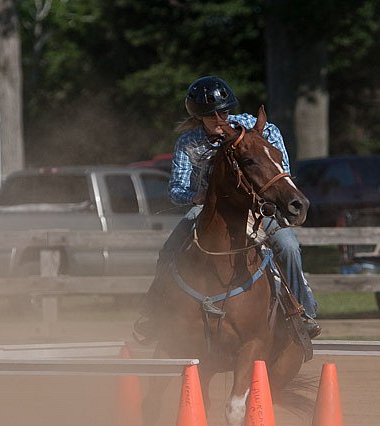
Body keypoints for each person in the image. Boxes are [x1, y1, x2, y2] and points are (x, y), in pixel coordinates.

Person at [133, 75, 321, 343]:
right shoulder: (189, 143)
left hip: (258, 208)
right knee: (171, 248)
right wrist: (197, 196)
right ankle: (155, 314)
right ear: (200, 117)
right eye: (212, 115)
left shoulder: (260, 129)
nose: (220, 118)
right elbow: (176, 190)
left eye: (224, 111)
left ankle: (303, 312)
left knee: (288, 245)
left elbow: (282, 171)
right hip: (208, 211)